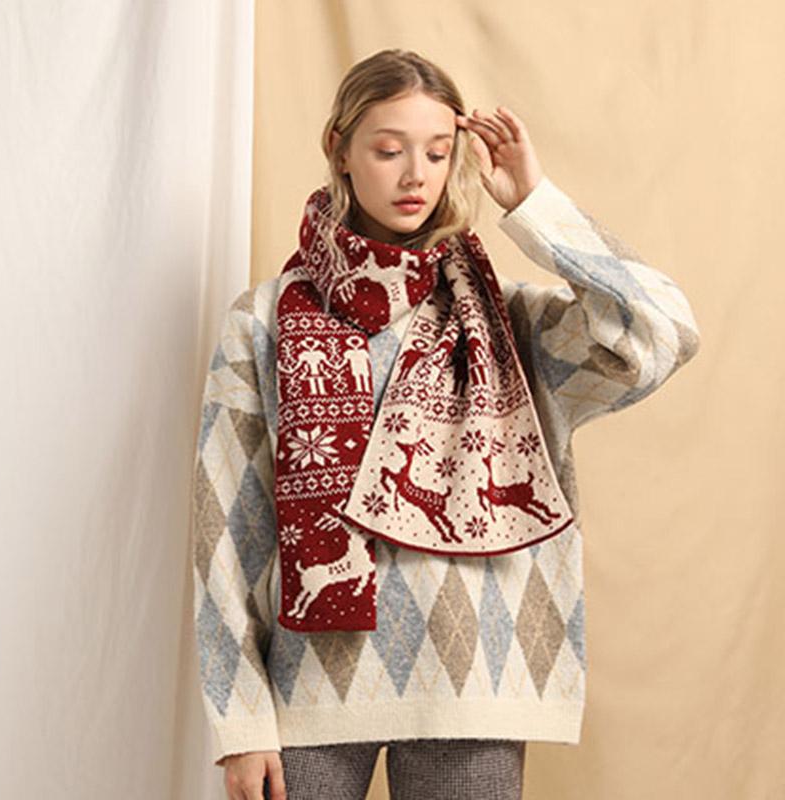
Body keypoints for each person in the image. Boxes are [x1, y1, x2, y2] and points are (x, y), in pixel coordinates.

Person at [191, 48, 700, 800]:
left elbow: (662, 332)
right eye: (389, 150)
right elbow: (226, 529)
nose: (415, 176)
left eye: (436, 152)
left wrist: (536, 206)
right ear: (339, 148)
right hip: (309, 688)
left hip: (476, 683)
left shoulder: (512, 324)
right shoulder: (263, 321)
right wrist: (241, 722)